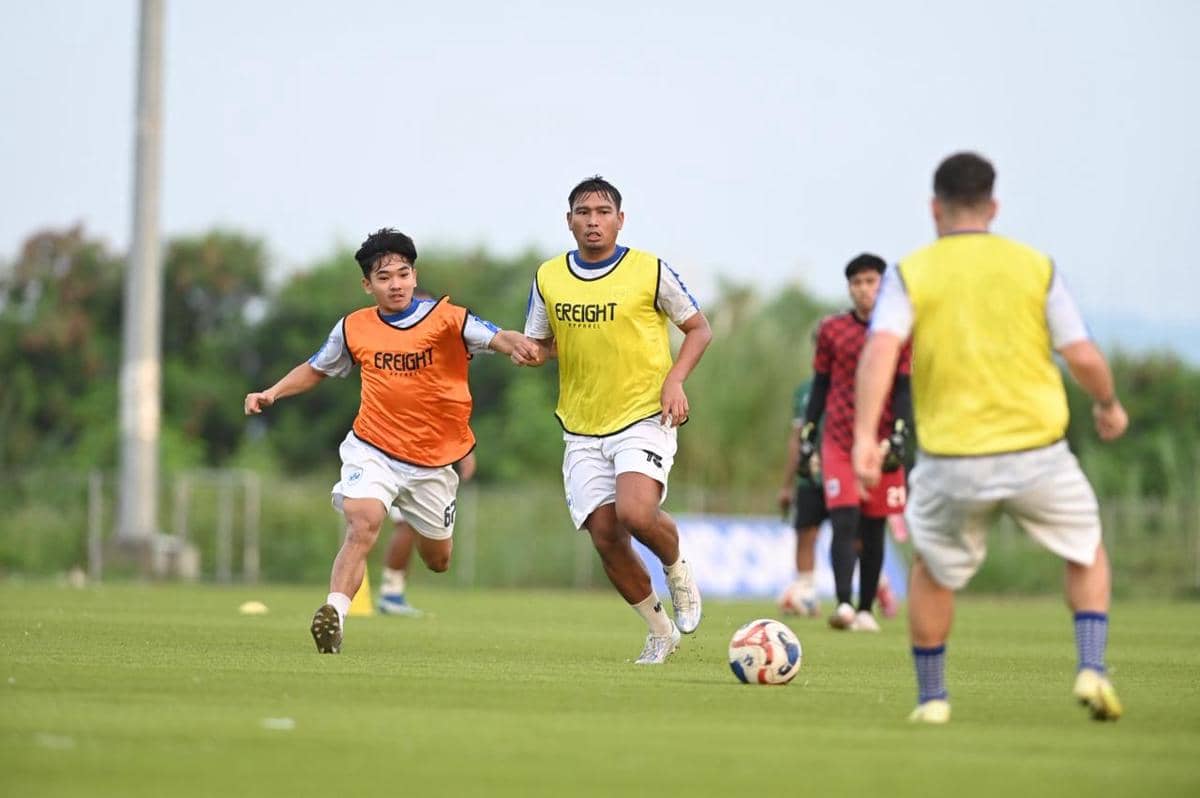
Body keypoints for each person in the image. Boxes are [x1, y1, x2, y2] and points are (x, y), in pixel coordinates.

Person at [853, 152, 1129, 724]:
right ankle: (1092, 668)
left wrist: (863, 437)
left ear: (935, 208)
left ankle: (932, 700)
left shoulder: (912, 272)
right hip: (1038, 455)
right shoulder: (1035, 267)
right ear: (994, 205)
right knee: (1085, 550)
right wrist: (1107, 403)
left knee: (932, 570)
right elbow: (1080, 353)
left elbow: (880, 351)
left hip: (953, 460)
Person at [244, 228, 539, 653]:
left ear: (414, 276)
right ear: (368, 285)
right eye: (384, 277)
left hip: (434, 463)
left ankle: (418, 528)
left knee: (438, 561)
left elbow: (497, 335)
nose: (395, 284)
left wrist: (518, 347)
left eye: (402, 274)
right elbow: (316, 368)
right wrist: (272, 391)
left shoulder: (447, 318)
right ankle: (335, 614)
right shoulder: (353, 328)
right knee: (362, 523)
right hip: (373, 447)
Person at [521, 176, 712, 665]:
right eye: (583, 212)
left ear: (620, 220)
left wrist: (675, 380)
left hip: (645, 413)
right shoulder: (548, 277)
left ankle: (677, 569)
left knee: (634, 513)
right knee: (606, 536)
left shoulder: (648, 271)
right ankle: (659, 630)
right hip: (582, 425)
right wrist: (525, 351)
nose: (593, 220)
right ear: (569, 221)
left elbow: (698, 328)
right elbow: (544, 345)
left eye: (603, 211)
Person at [801, 254, 912, 632]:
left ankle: (867, 609)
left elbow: (903, 386)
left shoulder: (897, 333)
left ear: (883, 286)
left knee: (874, 526)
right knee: (844, 519)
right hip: (839, 440)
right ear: (849, 288)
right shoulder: (833, 330)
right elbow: (820, 383)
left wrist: (899, 432)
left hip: (881, 442)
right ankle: (845, 603)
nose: (864, 289)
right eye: (857, 283)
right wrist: (808, 433)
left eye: (871, 281)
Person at [778, 374, 901, 619]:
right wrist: (788, 484)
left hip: (844, 470)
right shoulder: (805, 390)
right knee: (806, 532)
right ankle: (807, 594)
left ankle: (880, 585)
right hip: (811, 474)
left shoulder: (855, 385)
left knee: (855, 538)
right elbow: (797, 436)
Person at [378, 450, 476, 616]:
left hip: (399, 456)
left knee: (403, 524)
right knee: (405, 523)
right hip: (407, 459)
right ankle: (391, 592)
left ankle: (391, 591)